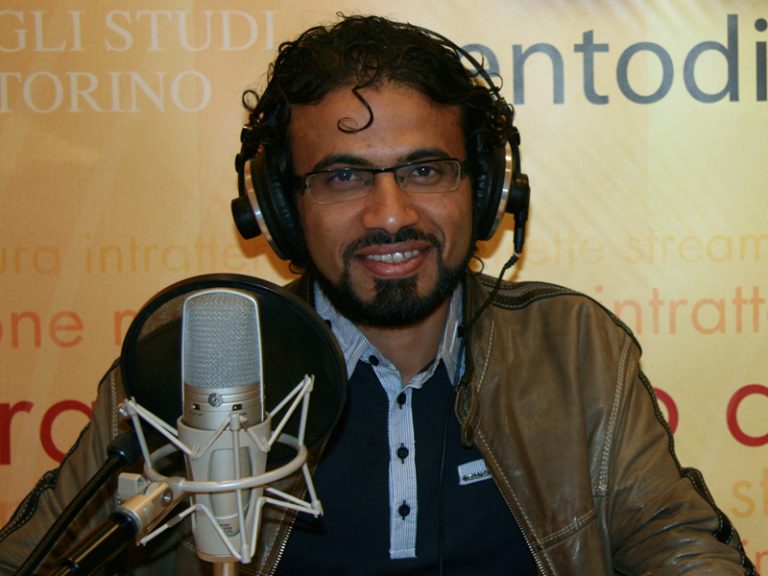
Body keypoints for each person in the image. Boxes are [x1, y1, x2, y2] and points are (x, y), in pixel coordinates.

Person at [0, 14, 758, 576]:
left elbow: (679, 545)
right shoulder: (196, 359)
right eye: (344, 176)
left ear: (485, 192)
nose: (390, 215)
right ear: (279, 208)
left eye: (425, 170)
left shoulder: (574, 348)